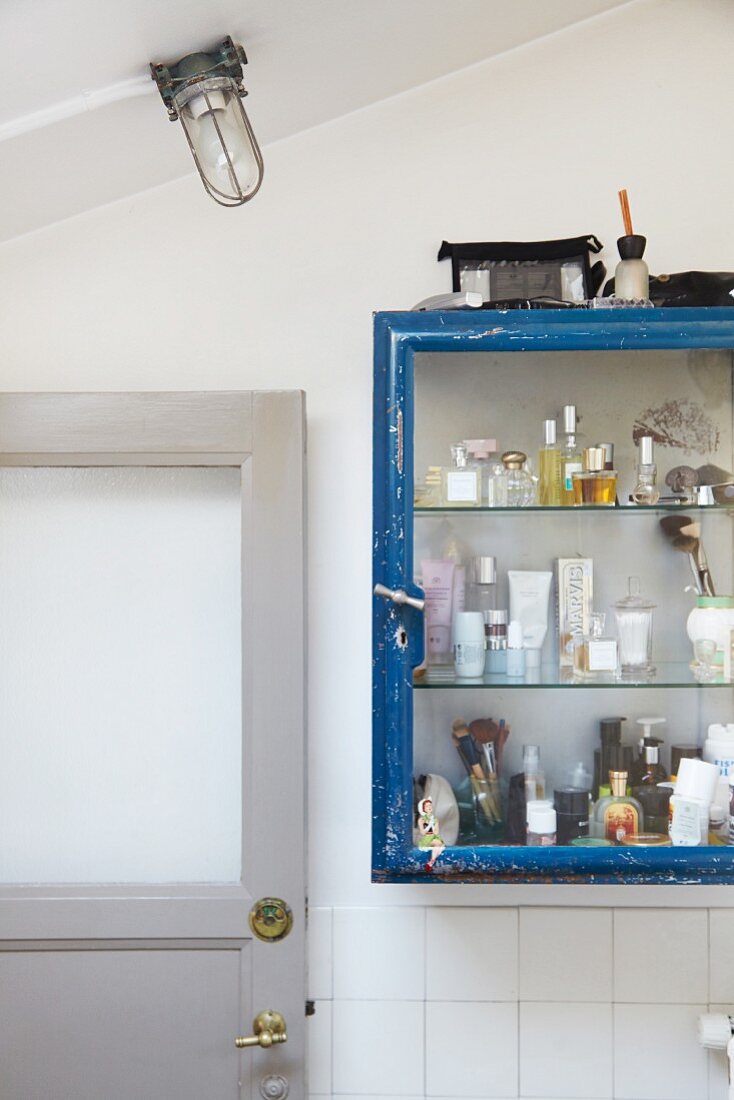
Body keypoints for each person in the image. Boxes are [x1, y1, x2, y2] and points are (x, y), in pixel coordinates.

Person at [417, 796, 445, 871]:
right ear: (423, 808)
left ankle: (431, 862)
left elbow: (436, 832)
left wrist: (433, 825)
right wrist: (429, 825)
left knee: (439, 844)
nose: (429, 807)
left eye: (430, 805)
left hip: (434, 836)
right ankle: (431, 862)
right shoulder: (422, 819)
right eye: (427, 806)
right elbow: (422, 832)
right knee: (438, 844)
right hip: (427, 838)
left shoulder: (435, 819)